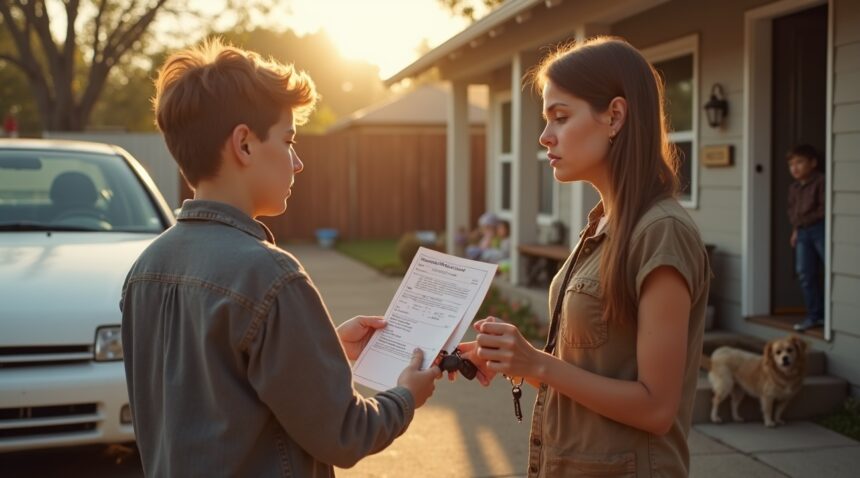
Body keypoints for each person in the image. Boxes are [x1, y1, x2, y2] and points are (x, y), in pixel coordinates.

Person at [120, 39, 440, 477]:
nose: (298, 162)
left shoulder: (145, 270)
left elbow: (206, 395)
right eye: (288, 140)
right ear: (244, 145)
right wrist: (406, 394)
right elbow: (346, 434)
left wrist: (320, 348)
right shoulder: (270, 276)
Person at [460, 36, 711, 476]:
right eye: (547, 119)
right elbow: (587, 376)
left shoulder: (661, 232)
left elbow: (656, 407)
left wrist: (537, 362)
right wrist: (514, 359)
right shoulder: (602, 225)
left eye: (560, 117)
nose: (544, 136)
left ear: (614, 115)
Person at [786, 144, 826, 331]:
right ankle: (814, 315)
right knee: (805, 273)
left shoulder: (821, 182)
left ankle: (829, 315)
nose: (795, 167)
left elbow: (823, 209)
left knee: (828, 269)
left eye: (799, 162)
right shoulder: (794, 187)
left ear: (813, 163)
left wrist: (804, 222)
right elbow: (792, 211)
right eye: (791, 164)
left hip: (819, 229)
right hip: (802, 232)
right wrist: (796, 230)